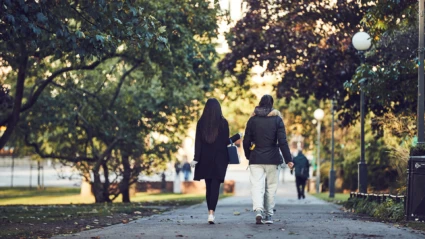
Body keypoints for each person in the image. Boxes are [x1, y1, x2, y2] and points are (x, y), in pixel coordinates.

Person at [243, 94, 294, 224]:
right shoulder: (277, 120)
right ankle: (269, 215)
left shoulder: (252, 120)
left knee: (256, 186)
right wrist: (288, 159)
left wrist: (249, 155)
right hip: (273, 158)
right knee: (271, 187)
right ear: (271, 105)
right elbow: (282, 141)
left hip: (256, 158)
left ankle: (258, 210)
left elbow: (246, 141)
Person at [191, 98, 241, 224]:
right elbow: (225, 142)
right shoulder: (223, 123)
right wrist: (237, 136)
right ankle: (212, 213)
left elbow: (198, 142)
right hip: (220, 159)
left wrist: (196, 159)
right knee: (215, 187)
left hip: (205, 159)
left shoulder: (201, 122)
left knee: (208, 187)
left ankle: (210, 212)